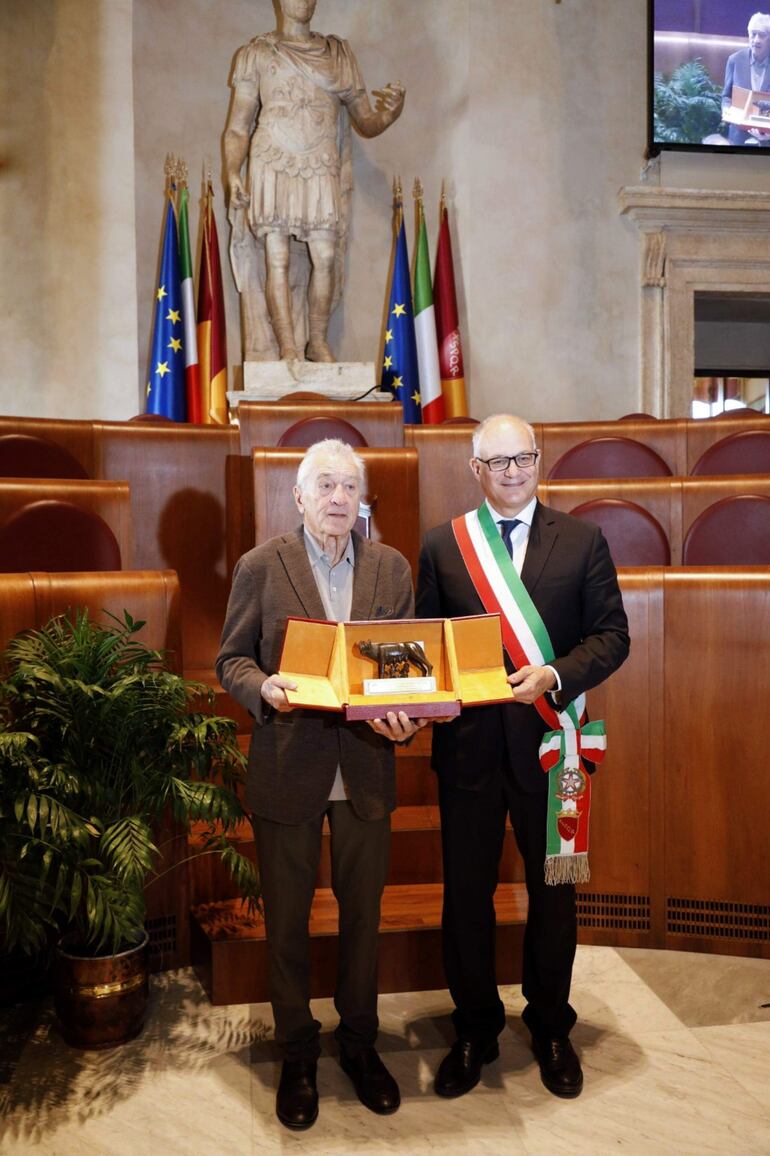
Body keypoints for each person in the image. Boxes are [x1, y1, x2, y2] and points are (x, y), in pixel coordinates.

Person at [416, 414, 630, 1100]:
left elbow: (612, 637)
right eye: (497, 461)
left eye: (523, 458)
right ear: (475, 469)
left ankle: (551, 1025)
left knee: (555, 893)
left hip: (552, 745)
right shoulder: (444, 546)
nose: (512, 471)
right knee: (467, 898)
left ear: (540, 461)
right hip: (470, 752)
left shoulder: (584, 541)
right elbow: (426, 647)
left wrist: (557, 675)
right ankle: (475, 1026)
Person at [216, 438, 425, 1131]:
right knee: (287, 925)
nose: (339, 499)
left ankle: (360, 1044)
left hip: (367, 766)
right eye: (325, 486)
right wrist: (263, 687)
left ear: (362, 500)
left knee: (364, 919)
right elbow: (230, 660)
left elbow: (406, 673)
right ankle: (297, 1051)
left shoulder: (391, 569)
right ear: (299, 497)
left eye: (349, 487)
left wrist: (408, 722)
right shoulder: (259, 566)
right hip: (288, 765)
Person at [224, 0, 405, 363]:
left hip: (320, 160)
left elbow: (364, 120)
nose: (304, 1)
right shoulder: (256, 54)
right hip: (272, 159)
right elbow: (237, 128)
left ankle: (317, 341)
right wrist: (232, 172)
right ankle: (288, 346)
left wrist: (389, 115)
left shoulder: (337, 55)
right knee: (276, 258)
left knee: (325, 255)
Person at [722, 12, 770, 145]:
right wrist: (726, 110)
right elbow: (726, 96)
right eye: (753, 34)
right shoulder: (734, 60)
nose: (756, 40)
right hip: (738, 139)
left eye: (762, 35)